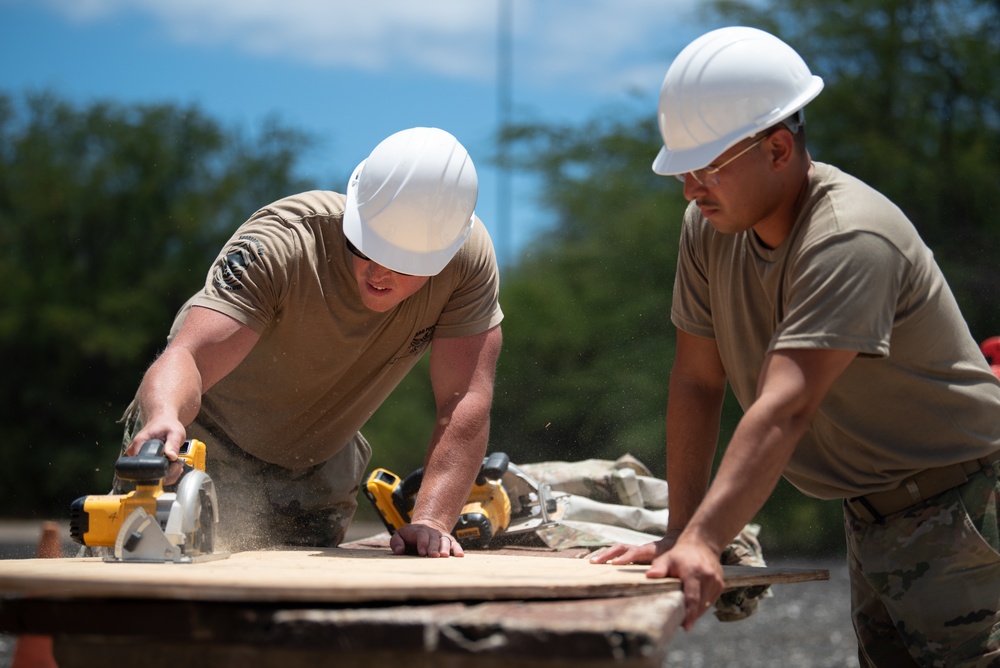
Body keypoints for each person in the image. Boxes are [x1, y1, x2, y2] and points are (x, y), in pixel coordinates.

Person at [590, 26, 1000, 666]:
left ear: (778, 149)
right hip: (873, 514)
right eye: (682, 170)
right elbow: (698, 380)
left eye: (708, 168)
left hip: (969, 510)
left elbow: (786, 406)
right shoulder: (708, 227)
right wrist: (682, 530)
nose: (691, 188)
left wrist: (706, 540)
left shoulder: (849, 237)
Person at [121, 127, 504, 558]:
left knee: (302, 615)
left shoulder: (467, 264)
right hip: (199, 452)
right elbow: (189, 355)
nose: (378, 273)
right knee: (150, 590)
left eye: (402, 264)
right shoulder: (283, 242)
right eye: (366, 247)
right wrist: (164, 417)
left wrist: (432, 520)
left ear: (445, 254)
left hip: (320, 465)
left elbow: (465, 399)